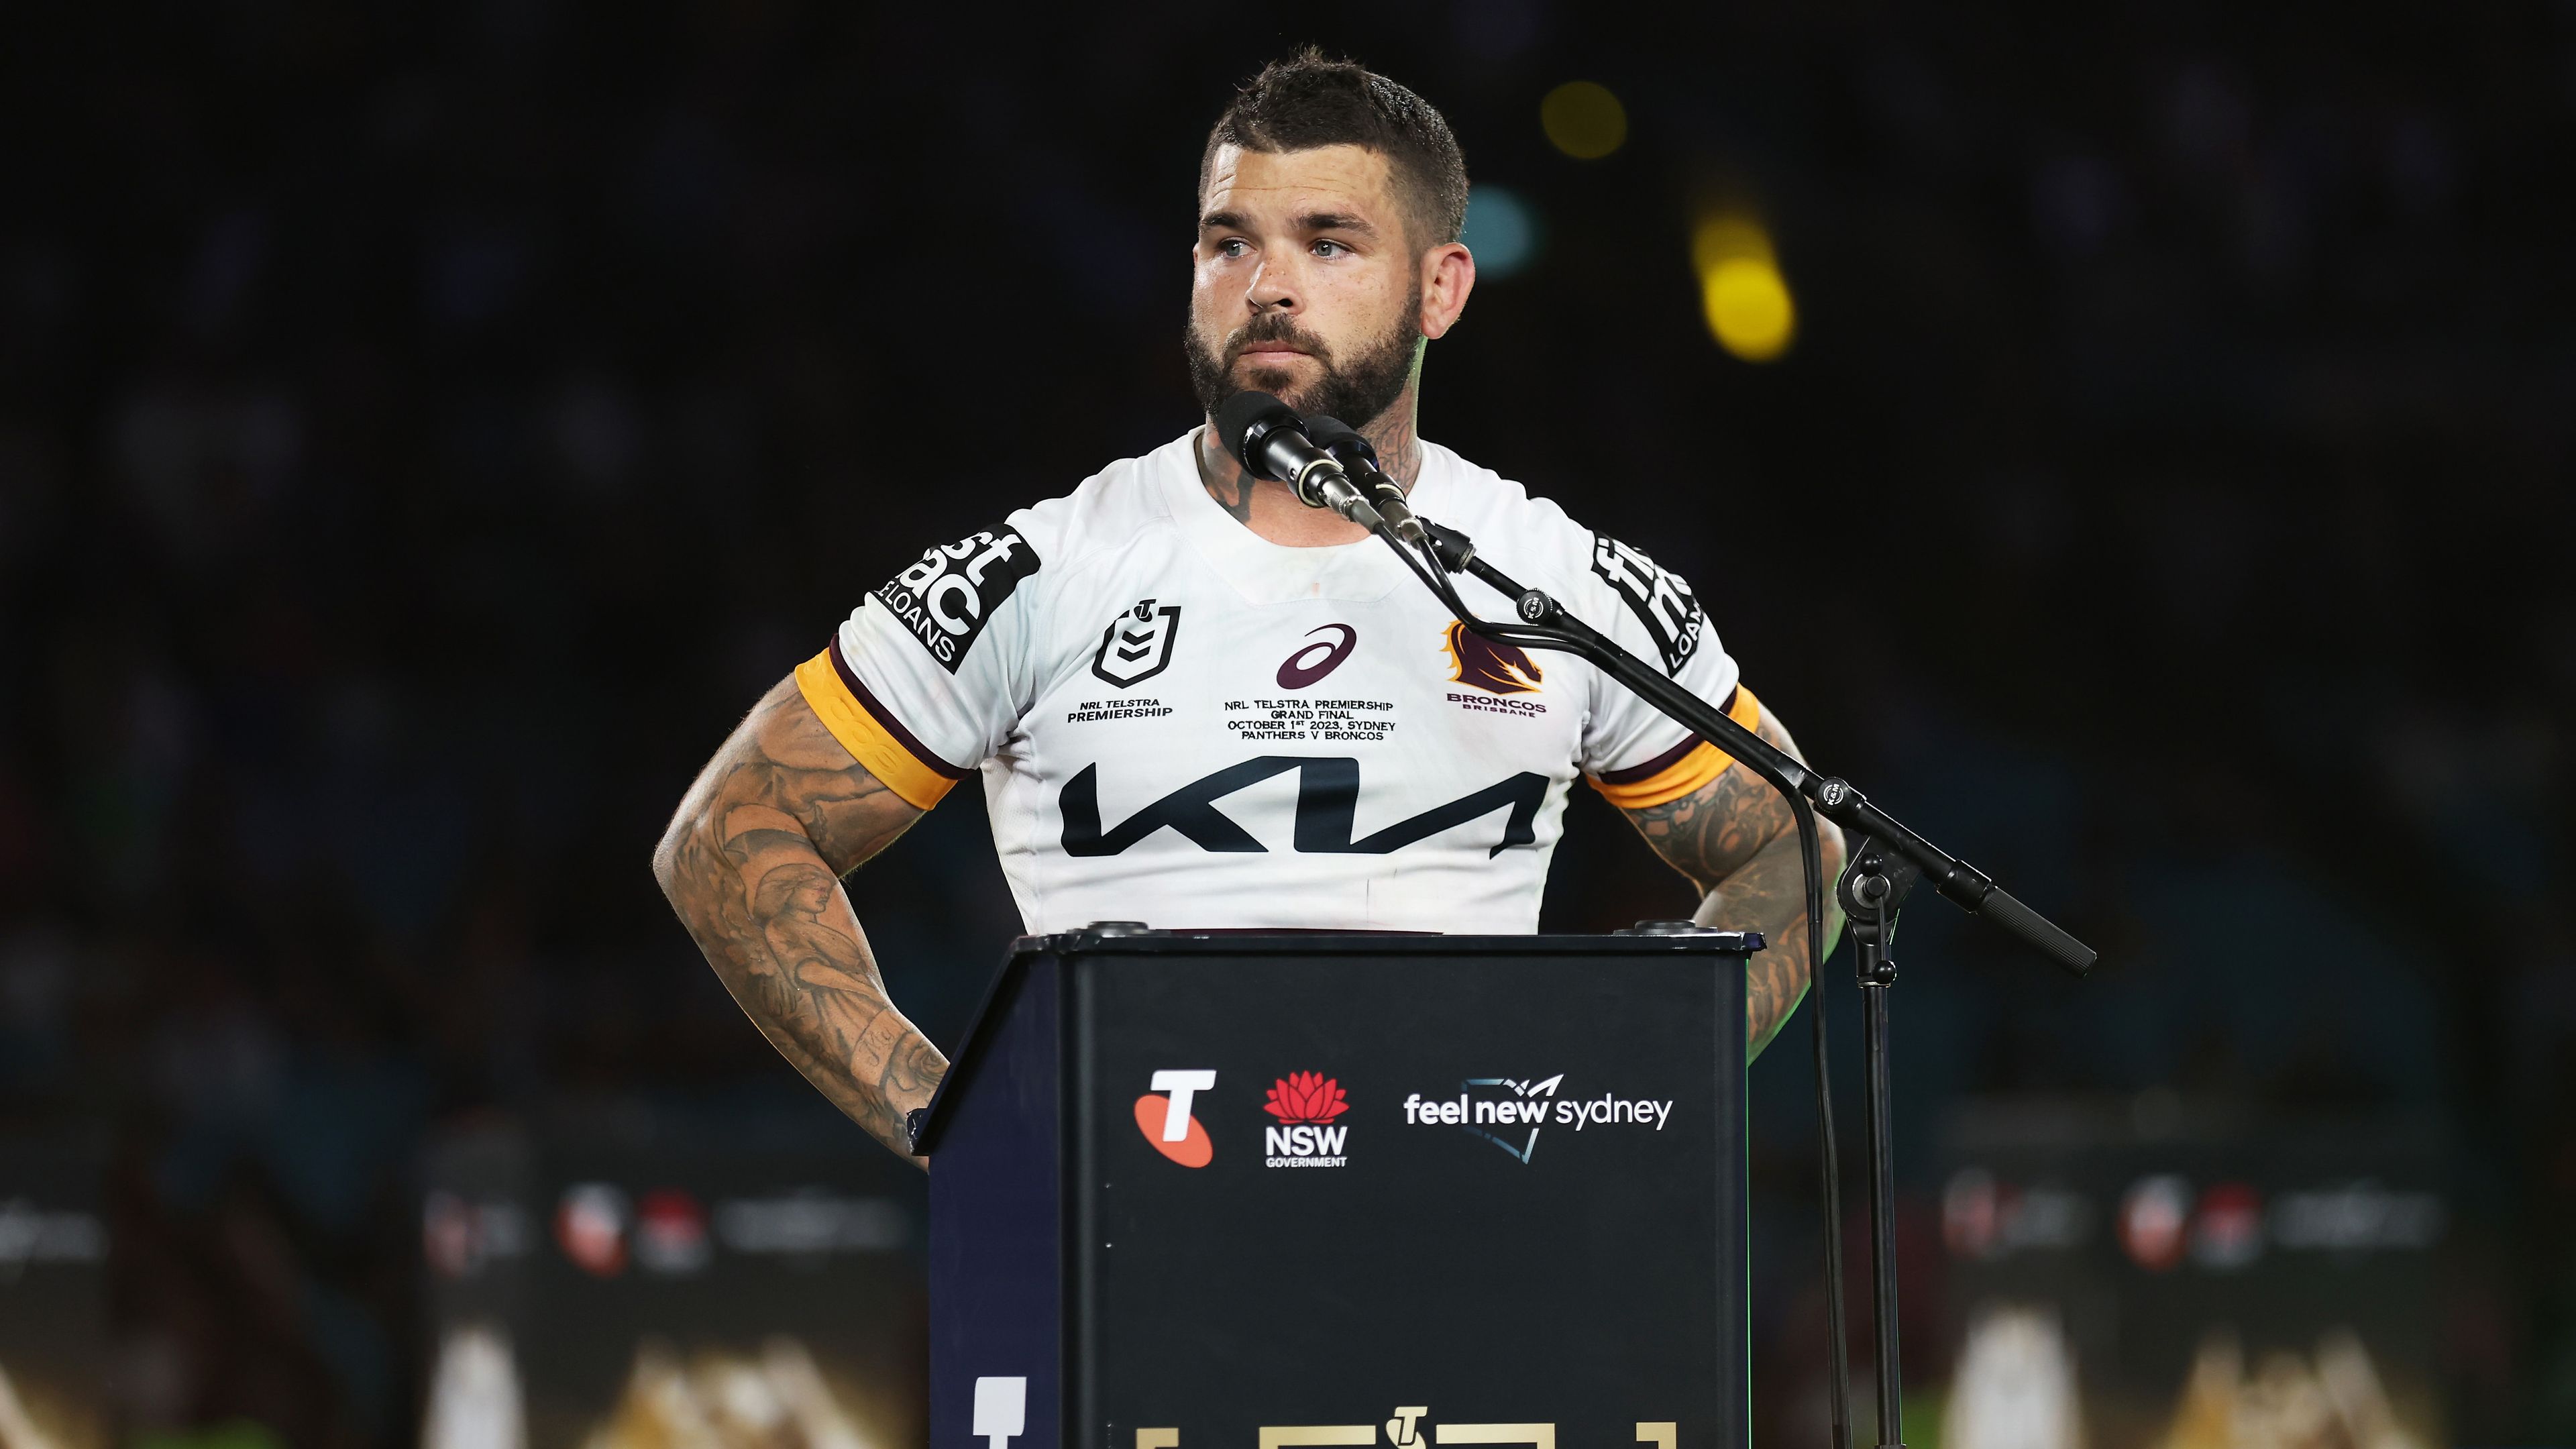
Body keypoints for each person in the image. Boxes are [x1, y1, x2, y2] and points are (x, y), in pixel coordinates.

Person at [653, 50, 1845, 1163]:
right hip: (1132, 1237)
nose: (1268, 286)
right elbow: (728, 838)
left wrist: (1630, 1080)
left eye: (1329, 244)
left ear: (1441, 288)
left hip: (1468, 1224)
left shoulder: (1557, 582)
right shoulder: (1042, 572)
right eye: (1231, 245)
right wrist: (957, 1128)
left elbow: (1800, 851)